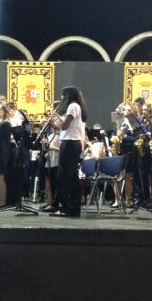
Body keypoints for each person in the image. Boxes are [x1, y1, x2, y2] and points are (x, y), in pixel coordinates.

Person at [50, 86, 87, 217]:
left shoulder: (72, 106)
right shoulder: (75, 106)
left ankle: (67, 208)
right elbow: (65, 127)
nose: (61, 98)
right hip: (70, 142)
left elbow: (65, 126)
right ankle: (72, 208)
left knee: (65, 176)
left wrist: (56, 119)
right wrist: (54, 124)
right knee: (70, 176)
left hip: (70, 143)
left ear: (68, 95)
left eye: (63, 95)